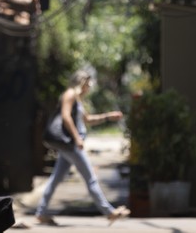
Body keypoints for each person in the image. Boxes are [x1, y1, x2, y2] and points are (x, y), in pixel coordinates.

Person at [35, 69, 130, 225]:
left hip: (69, 145)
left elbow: (87, 119)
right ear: (82, 83)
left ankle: (41, 212)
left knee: (55, 179)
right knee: (91, 178)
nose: (89, 87)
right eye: (88, 84)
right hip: (71, 145)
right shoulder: (70, 94)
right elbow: (65, 117)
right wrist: (77, 138)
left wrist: (108, 116)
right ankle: (110, 212)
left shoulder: (77, 100)